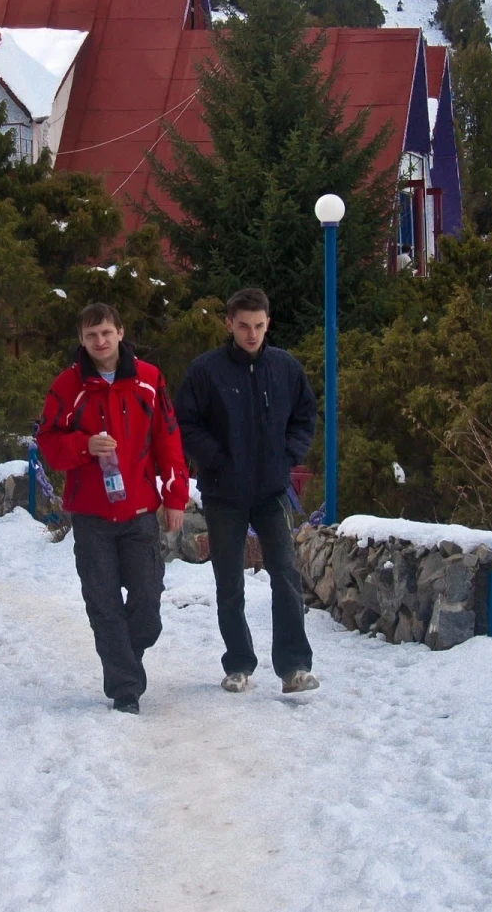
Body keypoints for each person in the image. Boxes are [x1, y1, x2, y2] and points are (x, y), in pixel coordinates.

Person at [37, 303, 189, 715]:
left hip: (139, 512)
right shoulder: (67, 386)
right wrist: (83, 445)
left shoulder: (149, 380)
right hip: (91, 516)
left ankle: (123, 658)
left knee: (147, 607)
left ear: (120, 333)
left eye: (106, 332)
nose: (100, 341)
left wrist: (175, 496)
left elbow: (168, 440)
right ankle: (126, 691)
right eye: (91, 335)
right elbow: (48, 443)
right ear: (81, 340)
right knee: (103, 604)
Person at [174, 287, 320, 695]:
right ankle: (238, 664)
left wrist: (287, 454)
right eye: (243, 326)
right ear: (229, 324)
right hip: (223, 494)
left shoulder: (285, 368)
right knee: (229, 583)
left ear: (268, 323)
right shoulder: (206, 371)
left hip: (271, 491)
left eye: (258, 325)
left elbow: (305, 414)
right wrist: (217, 458)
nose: (251, 334)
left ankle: (294, 667)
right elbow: (185, 423)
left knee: (285, 576)